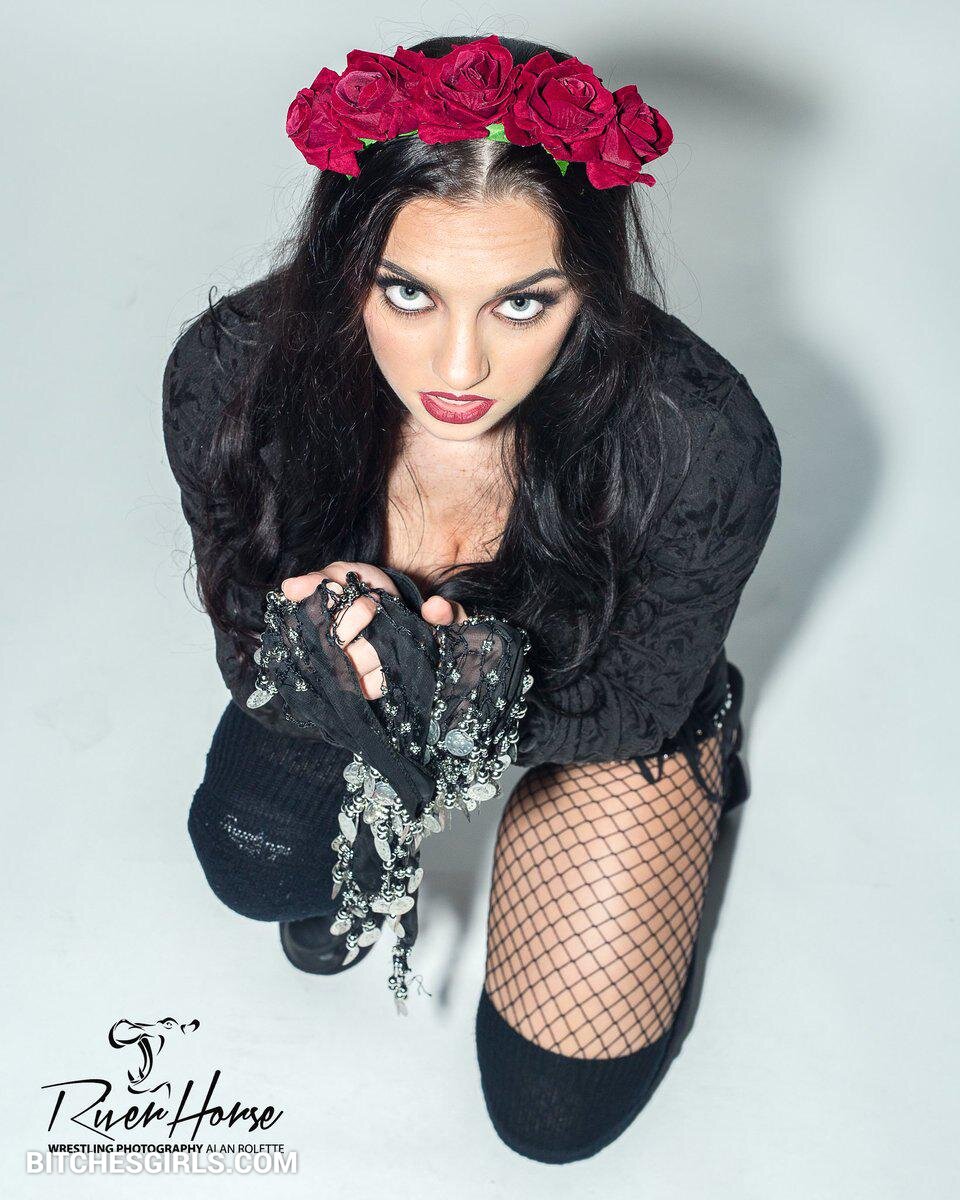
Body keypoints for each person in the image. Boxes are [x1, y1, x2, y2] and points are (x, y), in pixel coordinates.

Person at [161, 33, 782, 1164]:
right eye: (408, 292)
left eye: (522, 304)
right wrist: (335, 665)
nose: (459, 368)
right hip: (367, 674)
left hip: (604, 691)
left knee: (551, 1117)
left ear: (589, 287)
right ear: (348, 264)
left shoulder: (696, 439)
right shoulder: (236, 377)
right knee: (257, 863)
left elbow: (637, 696)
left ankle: (715, 725)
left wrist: (462, 698)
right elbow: (246, 638)